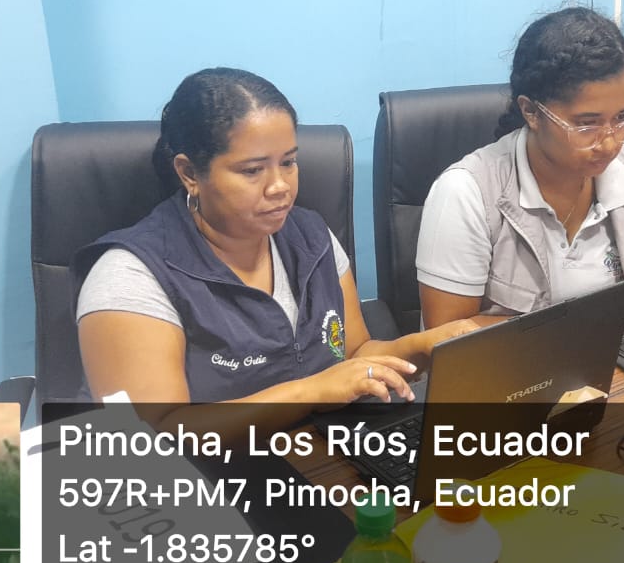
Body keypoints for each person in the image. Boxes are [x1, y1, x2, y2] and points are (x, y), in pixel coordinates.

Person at [73, 68, 475, 418]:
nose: (280, 186)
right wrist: (309, 392)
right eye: (252, 170)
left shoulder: (312, 236)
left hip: (316, 451)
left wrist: (425, 346)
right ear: (190, 173)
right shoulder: (129, 277)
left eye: (288, 162)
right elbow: (154, 434)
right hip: (202, 475)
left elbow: (353, 354)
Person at [416, 7, 624, 328]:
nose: (610, 144)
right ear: (531, 112)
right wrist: (581, 319)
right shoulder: (467, 194)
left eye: (622, 118)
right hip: (511, 362)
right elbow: (446, 335)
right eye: (587, 124)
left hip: (608, 351)